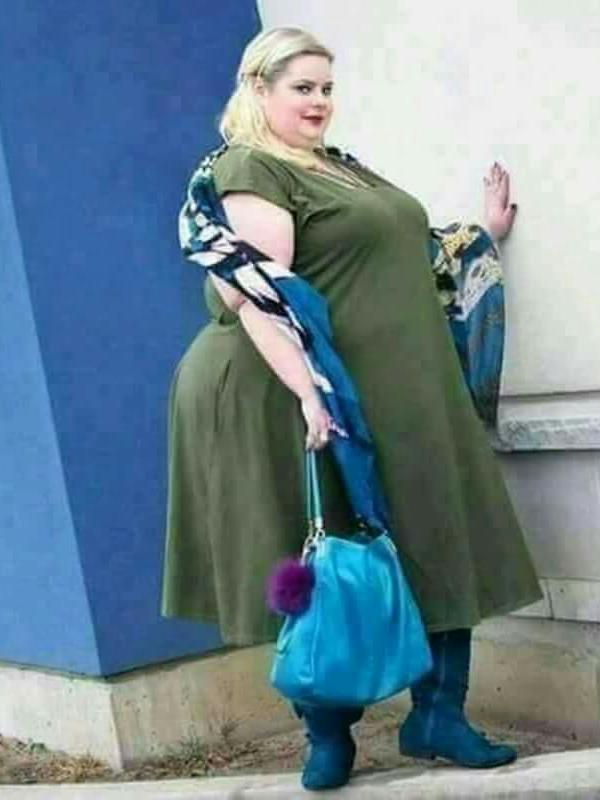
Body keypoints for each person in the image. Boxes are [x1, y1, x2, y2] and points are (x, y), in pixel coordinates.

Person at [161, 26, 543, 792]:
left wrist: (479, 236)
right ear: (258, 88)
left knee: (438, 533)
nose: (319, 102)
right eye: (302, 87)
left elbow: (386, 252)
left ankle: (439, 717)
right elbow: (255, 295)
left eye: (327, 88)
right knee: (327, 556)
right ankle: (328, 736)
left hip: (405, 392)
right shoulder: (250, 167)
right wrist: (311, 392)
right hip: (305, 392)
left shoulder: (334, 165)